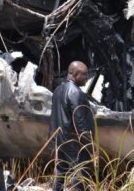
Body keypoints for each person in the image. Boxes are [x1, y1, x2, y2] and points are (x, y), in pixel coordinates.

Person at [49, 61, 95, 191]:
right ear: (75, 75)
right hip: (75, 143)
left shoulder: (58, 89)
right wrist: (88, 144)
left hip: (61, 140)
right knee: (80, 175)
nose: (87, 77)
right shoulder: (75, 93)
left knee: (60, 172)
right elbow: (80, 121)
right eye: (84, 75)